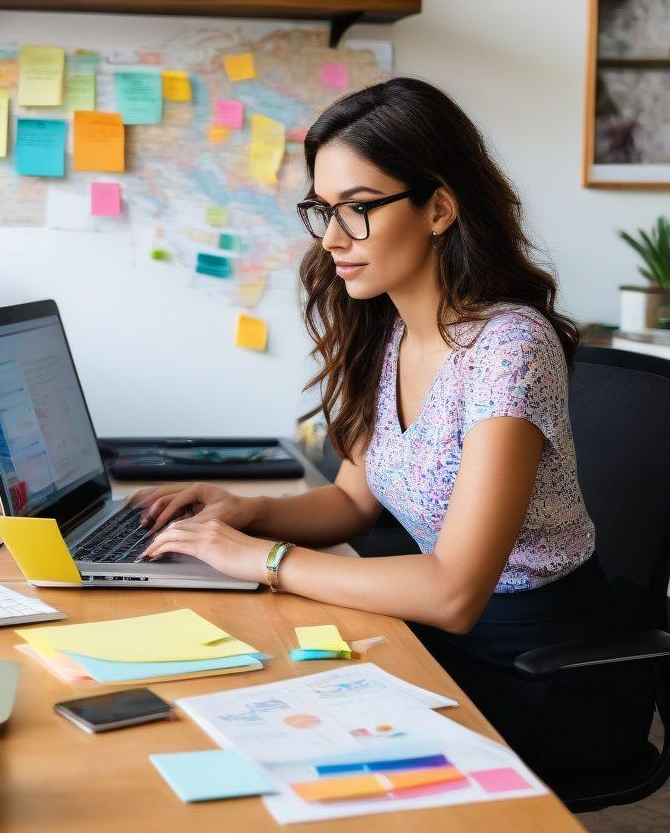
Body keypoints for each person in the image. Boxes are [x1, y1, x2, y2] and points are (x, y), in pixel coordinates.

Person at [134, 76, 653, 787]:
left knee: (298, 759)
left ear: (439, 207)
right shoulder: (389, 331)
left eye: (359, 209)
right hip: (441, 642)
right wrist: (244, 512)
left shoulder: (509, 347)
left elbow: (452, 591)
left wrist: (263, 559)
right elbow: (352, 502)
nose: (334, 239)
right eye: (323, 211)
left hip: (543, 675)